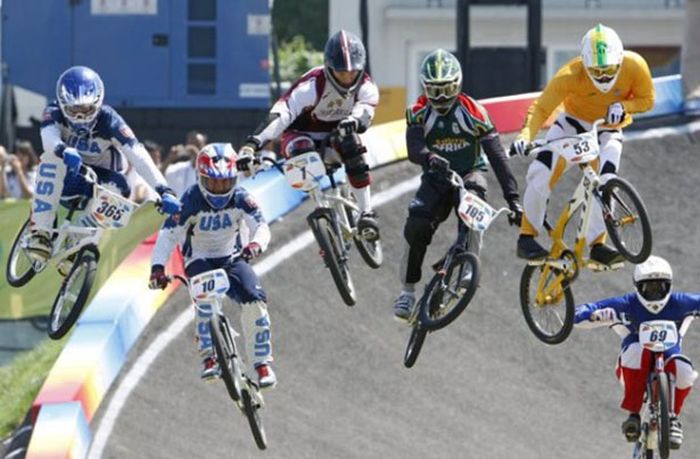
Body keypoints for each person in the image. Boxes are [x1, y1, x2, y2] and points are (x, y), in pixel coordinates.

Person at [392, 49, 523, 321]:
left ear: (458, 85)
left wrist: (513, 199)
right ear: (425, 88)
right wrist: (429, 157)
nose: (440, 98)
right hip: (436, 177)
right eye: (434, 90)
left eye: (446, 89)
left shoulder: (474, 112)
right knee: (415, 225)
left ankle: (468, 264)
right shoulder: (417, 111)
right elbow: (413, 147)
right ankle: (407, 291)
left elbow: (497, 155)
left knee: (475, 200)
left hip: (469, 173)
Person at [510, 24, 655, 265]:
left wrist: (626, 107)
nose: (604, 77)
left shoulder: (635, 65)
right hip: (572, 125)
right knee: (540, 171)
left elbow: (648, 99)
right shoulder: (569, 74)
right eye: (596, 72)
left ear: (620, 60)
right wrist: (525, 135)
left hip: (607, 128)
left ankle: (597, 244)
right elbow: (542, 108)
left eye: (610, 71)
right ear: (583, 65)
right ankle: (526, 236)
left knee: (607, 181)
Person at [148, 143, 276, 388]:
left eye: (225, 183)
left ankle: (262, 363)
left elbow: (261, 225)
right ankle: (209, 358)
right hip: (199, 259)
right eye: (213, 183)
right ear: (200, 178)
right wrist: (157, 268)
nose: (219, 190)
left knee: (255, 299)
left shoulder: (242, 197)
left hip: (233, 257)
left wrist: (255, 245)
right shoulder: (189, 200)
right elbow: (168, 235)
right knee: (205, 302)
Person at [25, 65, 180, 262]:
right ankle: (41, 230)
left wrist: (164, 190)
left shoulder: (110, 120)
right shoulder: (53, 111)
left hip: (101, 182)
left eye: (86, 109)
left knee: (121, 191)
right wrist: (62, 149)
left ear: (97, 103)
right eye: (74, 109)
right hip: (68, 175)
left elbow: (138, 155)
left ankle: (78, 240)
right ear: (63, 104)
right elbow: (48, 138)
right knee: (51, 159)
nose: (80, 116)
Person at [237, 29, 380, 242]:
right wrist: (252, 144)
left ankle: (366, 212)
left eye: (353, 72)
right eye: (342, 72)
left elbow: (366, 110)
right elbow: (281, 114)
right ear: (330, 68)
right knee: (301, 148)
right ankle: (319, 203)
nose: (348, 78)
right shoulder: (311, 86)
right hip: (299, 134)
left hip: (336, 134)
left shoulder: (366, 85)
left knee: (352, 143)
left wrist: (355, 121)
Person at [574, 256, 699, 450]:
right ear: (638, 287)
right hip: (632, 362)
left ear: (669, 286)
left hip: (669, 355)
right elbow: (581, 312)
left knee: (685, 370)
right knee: (637, 350)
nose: (655, 293)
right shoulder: (627, 303)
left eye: (660, 287)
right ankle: (633, 413)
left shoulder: (681, 302)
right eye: (649, 288)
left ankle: (673, 418)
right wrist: (593, 315)